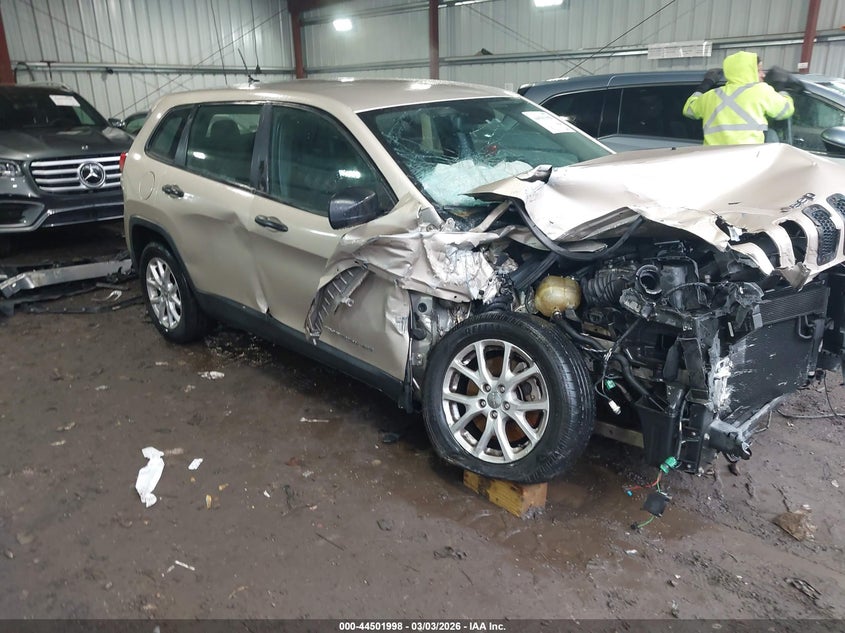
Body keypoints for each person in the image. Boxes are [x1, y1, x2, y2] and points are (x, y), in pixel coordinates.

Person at [683, 51, 799, 145]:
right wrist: (780, 87)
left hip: (712, 160)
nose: (763, 74)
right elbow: (785, 110)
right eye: (759, 70)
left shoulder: (711, 96)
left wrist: (706, 84)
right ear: (749, 71)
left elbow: (689, 110)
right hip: (746, 161)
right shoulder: (762, 91)